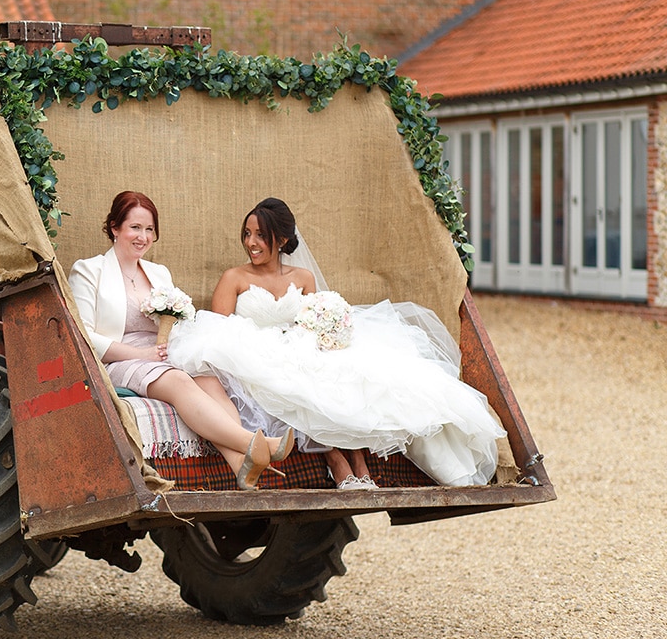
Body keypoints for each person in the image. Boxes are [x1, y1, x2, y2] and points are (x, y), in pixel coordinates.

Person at [169, 197, 505, 488]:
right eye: (247, 234)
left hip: (299, 346)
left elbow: (315, 317)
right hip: (252, 354)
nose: (251, 242)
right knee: (302, 381)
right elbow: (219, 331)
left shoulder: (303, 278)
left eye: (261, 235)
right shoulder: (235, 277)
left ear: (282, 239)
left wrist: (326, 332)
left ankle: (359, 466)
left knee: (339, 371)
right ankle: (339, 464)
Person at [69, 191, 293, 490]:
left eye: (149, 230)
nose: (143, 237)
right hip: (119, 358)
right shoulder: (89, 270)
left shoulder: (159, 273)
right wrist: (142, 353)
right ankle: (259, 443)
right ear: (114, 227)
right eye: (135, 227)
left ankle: (240, 463)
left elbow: (179, 324)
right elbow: (83, 335)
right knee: (180, 382)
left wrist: (183, 349)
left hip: (164, 351)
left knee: (209, 378)